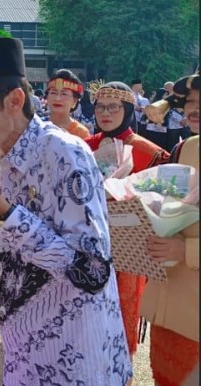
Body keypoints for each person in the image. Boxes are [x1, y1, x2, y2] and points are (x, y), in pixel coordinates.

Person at [0, 29, 131, 384]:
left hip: (75, 358)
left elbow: (91, 272)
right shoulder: (7, 156)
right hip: (24, 351)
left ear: (14, 100)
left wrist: (2, 212)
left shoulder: (65, 152)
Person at [85, 81, 169, 358]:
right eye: (100, 107)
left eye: (113, 107)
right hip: (87, 243)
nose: (105, 113)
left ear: (129, 109)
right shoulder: (82, 148)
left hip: (130, 250)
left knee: (123, 314)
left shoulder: (151, 153)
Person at [141, 73, 199, 386]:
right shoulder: (186, 147)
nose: (193, 108)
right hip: (167, 302)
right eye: (189, 101)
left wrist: (185, 250)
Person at [45, 69, 90, 139]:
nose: (57, 98)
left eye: (64, 94)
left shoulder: (81, 133)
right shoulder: (36, 127)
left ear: (74, 101)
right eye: (53, 93)